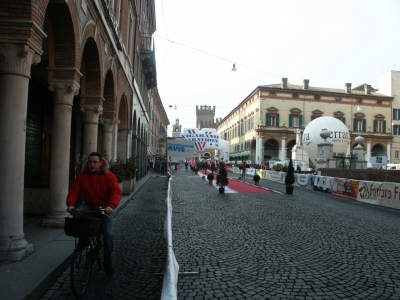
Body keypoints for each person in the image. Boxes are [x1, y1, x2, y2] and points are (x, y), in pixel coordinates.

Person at [66, 152, 122, 279]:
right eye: (90, 162)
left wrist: (110, 206)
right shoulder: (82, 177)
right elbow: (74, 191)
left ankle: (107, 262)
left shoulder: (109, 176)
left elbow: (116, 191)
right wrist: (71, 205)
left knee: (107, 234)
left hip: (103, 208)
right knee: (77, 214)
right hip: (90, 206)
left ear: (101, 163)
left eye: (95, 162)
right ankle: (83, 240)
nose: (92, 164)